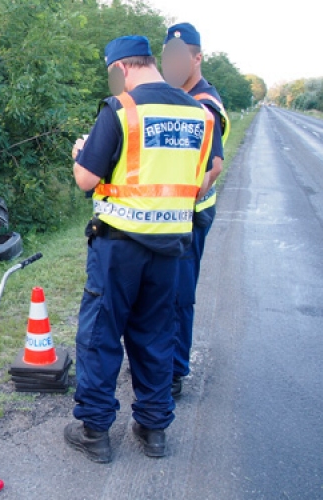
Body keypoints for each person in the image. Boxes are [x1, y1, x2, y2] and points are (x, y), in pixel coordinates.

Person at [64, 35, 214, 463]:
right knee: (155, 335)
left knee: (101, 335)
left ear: (120, 69)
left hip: (119, 246)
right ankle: (153, 429)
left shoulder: (122, 110)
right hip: (171, 247)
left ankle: (94, 430)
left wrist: (81, 152)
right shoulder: (199, 114)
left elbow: (85, 179)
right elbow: (202, 177)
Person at [161, 23, 231, 397]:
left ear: (197, 57)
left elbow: (214, 166)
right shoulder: (177, 98)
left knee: (178, 293)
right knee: (162, 290)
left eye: (178, 56)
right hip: (176, 215)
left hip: (190, 214)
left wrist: (176, 204)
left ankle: (173, 372)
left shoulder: (204, 103)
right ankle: (161, 361)